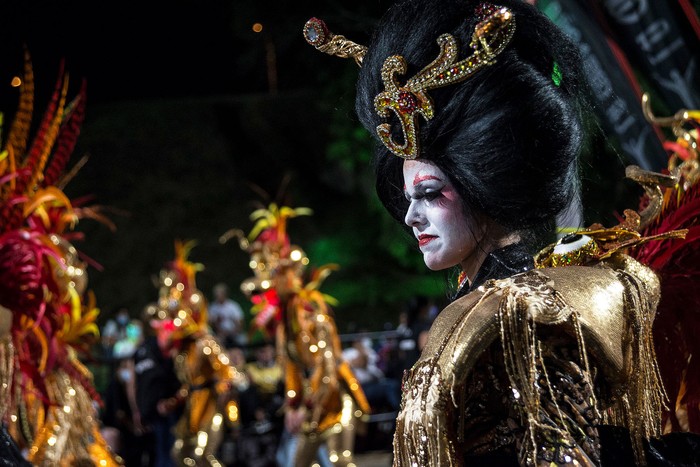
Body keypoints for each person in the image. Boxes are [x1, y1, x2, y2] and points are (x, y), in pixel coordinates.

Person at [304, 1, 699, 465]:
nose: (412, 217)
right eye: (408, 195)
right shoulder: (503, 302)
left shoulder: (517, 316)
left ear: (486, 183)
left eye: (430, 193)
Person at [228, 202, 371, 467]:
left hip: (334, 402)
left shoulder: (315, 319)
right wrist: (293, 406)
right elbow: (292, 370)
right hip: (311, 408)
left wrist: (305, 406)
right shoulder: (285, 330)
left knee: (340, 461)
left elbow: (327, 367)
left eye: (274, 275)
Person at [208, 283, 246, 348]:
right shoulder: (212, 308)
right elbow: (211, 324)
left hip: (234, 333)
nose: (217, 296)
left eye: (219, 294)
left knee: (242, 340)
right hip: (220, 334)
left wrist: (233, 332)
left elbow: (240, 322)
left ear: (224, 294)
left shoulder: (233, 306)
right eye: (216, 294)